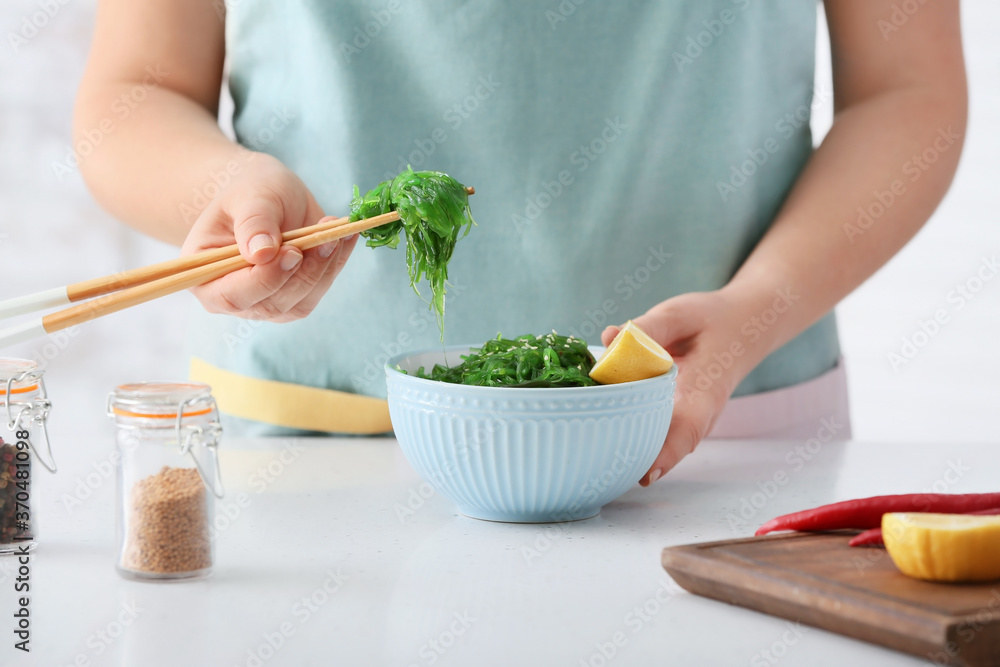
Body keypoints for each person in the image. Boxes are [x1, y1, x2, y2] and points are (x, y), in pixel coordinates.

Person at [74, 1, 966, 485]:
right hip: (305, 442)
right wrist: (223, 194)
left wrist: (755, 310)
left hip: (713, 431)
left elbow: (906, 90)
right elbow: (136, 89)